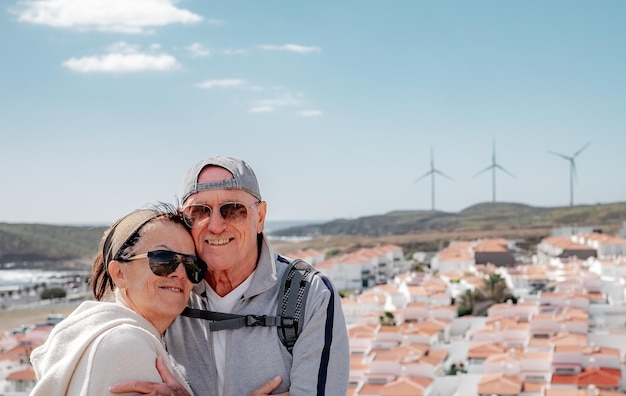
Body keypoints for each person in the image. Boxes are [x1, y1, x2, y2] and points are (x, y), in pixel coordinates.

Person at [112, 156, 350, 396]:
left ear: (260, 217)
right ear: (184, 220)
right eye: (199, 212)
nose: (216, 225)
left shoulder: (308, 294)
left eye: (233, 210)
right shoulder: (171, 290)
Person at [30, 205, 206, 395]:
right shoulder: (125, 346)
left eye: (191, 265)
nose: (180, 273)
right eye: (163, 260)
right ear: (119, 273)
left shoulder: (100, 335)